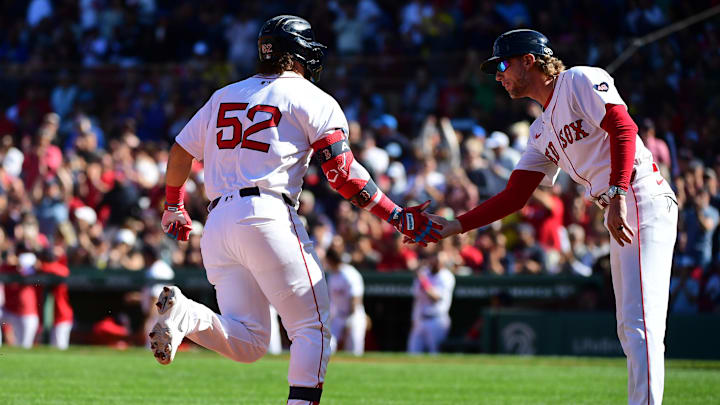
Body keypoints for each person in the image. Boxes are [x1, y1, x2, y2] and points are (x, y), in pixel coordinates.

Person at [150, 15, 440, 405]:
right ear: (299, 53)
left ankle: (186, 313)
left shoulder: (223, 95)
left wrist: (174, 205)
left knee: (250, 342)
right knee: (313, 328)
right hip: (266, 212)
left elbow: (181, 150)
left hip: (217, 223)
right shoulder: (311, 97)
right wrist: (395, 214)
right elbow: (342, 175)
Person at [430, 29, 678, 405]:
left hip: (639, 194)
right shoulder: (540, 128)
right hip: (622, 202)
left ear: (529, 60)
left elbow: (624, 128)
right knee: (630, 327)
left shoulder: (578, 79)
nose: (498, 76)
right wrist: (457, 225)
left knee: (641, 323)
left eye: (502, 64)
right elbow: (514, 196)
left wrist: (617, 193)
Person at [407, 246, 455, 354]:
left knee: (435, 354)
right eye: (434, 259)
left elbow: (435, 297)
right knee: (412, 353)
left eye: (439, 261)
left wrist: (423, 280)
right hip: (420, 318)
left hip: (437, 320)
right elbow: (416, 296)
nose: (436, 262)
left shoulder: (446, 276)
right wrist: (414, 318)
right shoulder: (424, 272)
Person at [325, 248, 366, 357]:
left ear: (331, 260)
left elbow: (356, 298)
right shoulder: (332, 276)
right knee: (329, 344)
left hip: (354, 314)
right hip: (338, 315)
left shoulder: (350, 274)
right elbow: (331, 299)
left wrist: (349, 319)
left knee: (354, 349)